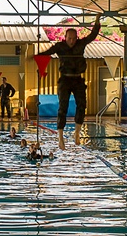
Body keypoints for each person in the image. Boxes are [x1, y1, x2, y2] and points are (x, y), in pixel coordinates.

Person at [37, 15, 102, 149]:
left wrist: (97, 20)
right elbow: (48, 52)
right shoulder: (60, 47)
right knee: (63, 108)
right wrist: (37, 56)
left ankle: (77, 132)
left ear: (76, 38)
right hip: (65, 79)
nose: (71, 41)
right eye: (69, 38)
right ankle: (60, 137)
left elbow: (93, 35)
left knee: (82, 105)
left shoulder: (81, 44)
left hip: (78, 78)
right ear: (65, 38)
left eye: (74, 38)